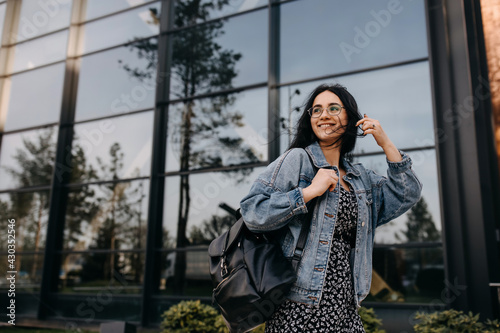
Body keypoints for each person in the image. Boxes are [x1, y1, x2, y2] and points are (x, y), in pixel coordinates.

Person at [239, 83, 422, 332]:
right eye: (316, 110)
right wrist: (308, 192)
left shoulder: (360, 178)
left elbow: (407, 192)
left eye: (333, 108)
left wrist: (385, 142)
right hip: (299, 305)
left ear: (350, 117)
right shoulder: (298, 160)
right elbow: (253, 212)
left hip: (346, 305)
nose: (324, 115)